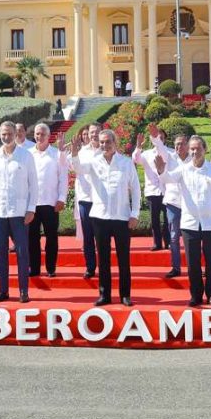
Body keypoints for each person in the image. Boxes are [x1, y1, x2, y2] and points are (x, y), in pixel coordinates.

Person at [70, 129, 141, 307]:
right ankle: (105, 295)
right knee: (103, 259)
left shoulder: (125, 163)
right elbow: (78, 169)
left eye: (108, 142)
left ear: (115, 143)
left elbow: (136, 189)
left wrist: (135, 214)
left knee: (123, 259)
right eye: (101, 142)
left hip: (122, 217)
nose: (104, 145)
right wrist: (74, 153)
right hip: (100, 217)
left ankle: (125, 295)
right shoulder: (93, 162)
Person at [155, 135, 211, 307]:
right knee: (193, 263)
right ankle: (196, 295)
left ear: (205, 149)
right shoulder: (184, 169)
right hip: (189, 224)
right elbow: (168, 179)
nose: (195, 152)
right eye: (192, 149)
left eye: (198, 148)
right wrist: (161, 171)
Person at [0, 121, 38, 303]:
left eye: (9, 134)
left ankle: (24, 291)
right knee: (0, 254)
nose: (6, 137)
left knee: (22, 252)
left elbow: (34, 185)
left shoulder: (26, 156)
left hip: (20, 212)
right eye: (3, 134)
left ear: (15, 133)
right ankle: (3, 290)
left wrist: (31, 209)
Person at [28, 123, 68, 278]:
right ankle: (35, 268)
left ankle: (51, 268)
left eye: (43, 134)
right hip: (32, 204)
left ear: (49, 136)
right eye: (37, 134)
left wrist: (61, 198)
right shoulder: (28, 154)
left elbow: (63, 177)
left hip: (51, 203)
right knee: (32, 238)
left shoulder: (57, 154)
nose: (40, 137)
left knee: (51, 237)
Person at [146, 128, 187, 278]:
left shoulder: (193, 159)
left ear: (188, 146)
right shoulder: (169, 156)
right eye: (176, 144)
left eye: (182, 144)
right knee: (174, 237)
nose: (178, 147)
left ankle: (195, 266)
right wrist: (155, 138)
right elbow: (160, 147)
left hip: (191, 204)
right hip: (173, 202)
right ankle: (176, 267)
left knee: (195, 237)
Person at [132, 127, 170, 253]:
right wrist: (138, 146)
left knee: (167, 219)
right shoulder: (147, 154)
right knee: (155, 220)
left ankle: (168, 242)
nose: (159, 140)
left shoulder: (170, 153)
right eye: (156, 137)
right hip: (152, 191)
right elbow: (135, 159)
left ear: (164, 140)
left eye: (161, 138)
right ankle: (157, 243)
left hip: (167, 191)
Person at [74, 123, 102, 278]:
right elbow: (74, 168)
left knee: (102, 237)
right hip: (85, 199)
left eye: (97, 131)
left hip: (102, 200)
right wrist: (73, 154)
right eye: (92, 132)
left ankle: (104, 266)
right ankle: (90, 267)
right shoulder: (81, 152)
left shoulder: (106, 150)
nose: (94, 135)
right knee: (88, 237)